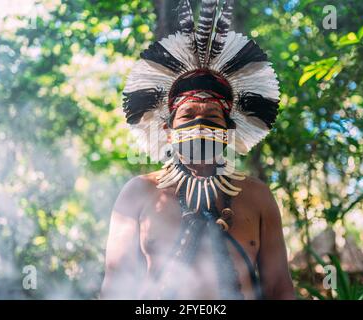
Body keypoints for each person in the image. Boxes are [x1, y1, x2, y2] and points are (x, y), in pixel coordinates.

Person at [101, 0, 295, 300]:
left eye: (213, 117)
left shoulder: (257, 198)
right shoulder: (138, 193)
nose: (201, 125)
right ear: (167, 131)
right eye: (188, 116)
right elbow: (116, 288)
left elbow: (280, 291)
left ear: (228, 133)